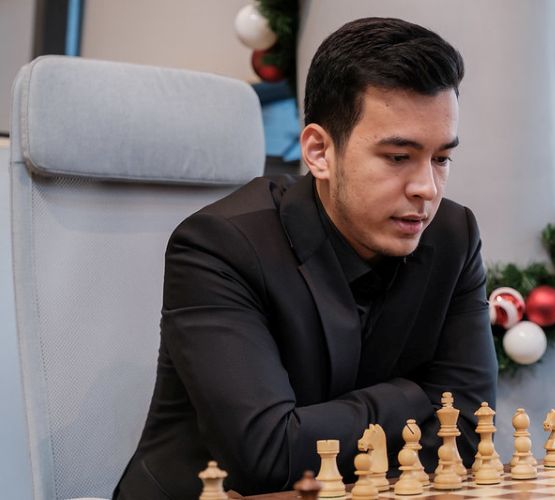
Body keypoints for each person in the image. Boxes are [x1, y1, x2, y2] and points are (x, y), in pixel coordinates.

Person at [114, 17, 497, 500]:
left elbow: (467, 434)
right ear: (319, 152)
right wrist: (412, 396)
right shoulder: (219, 246)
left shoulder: (453, 236)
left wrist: (314, 430)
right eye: (398, 157)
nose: (427, 188)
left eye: (441, 159)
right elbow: (268, 456)